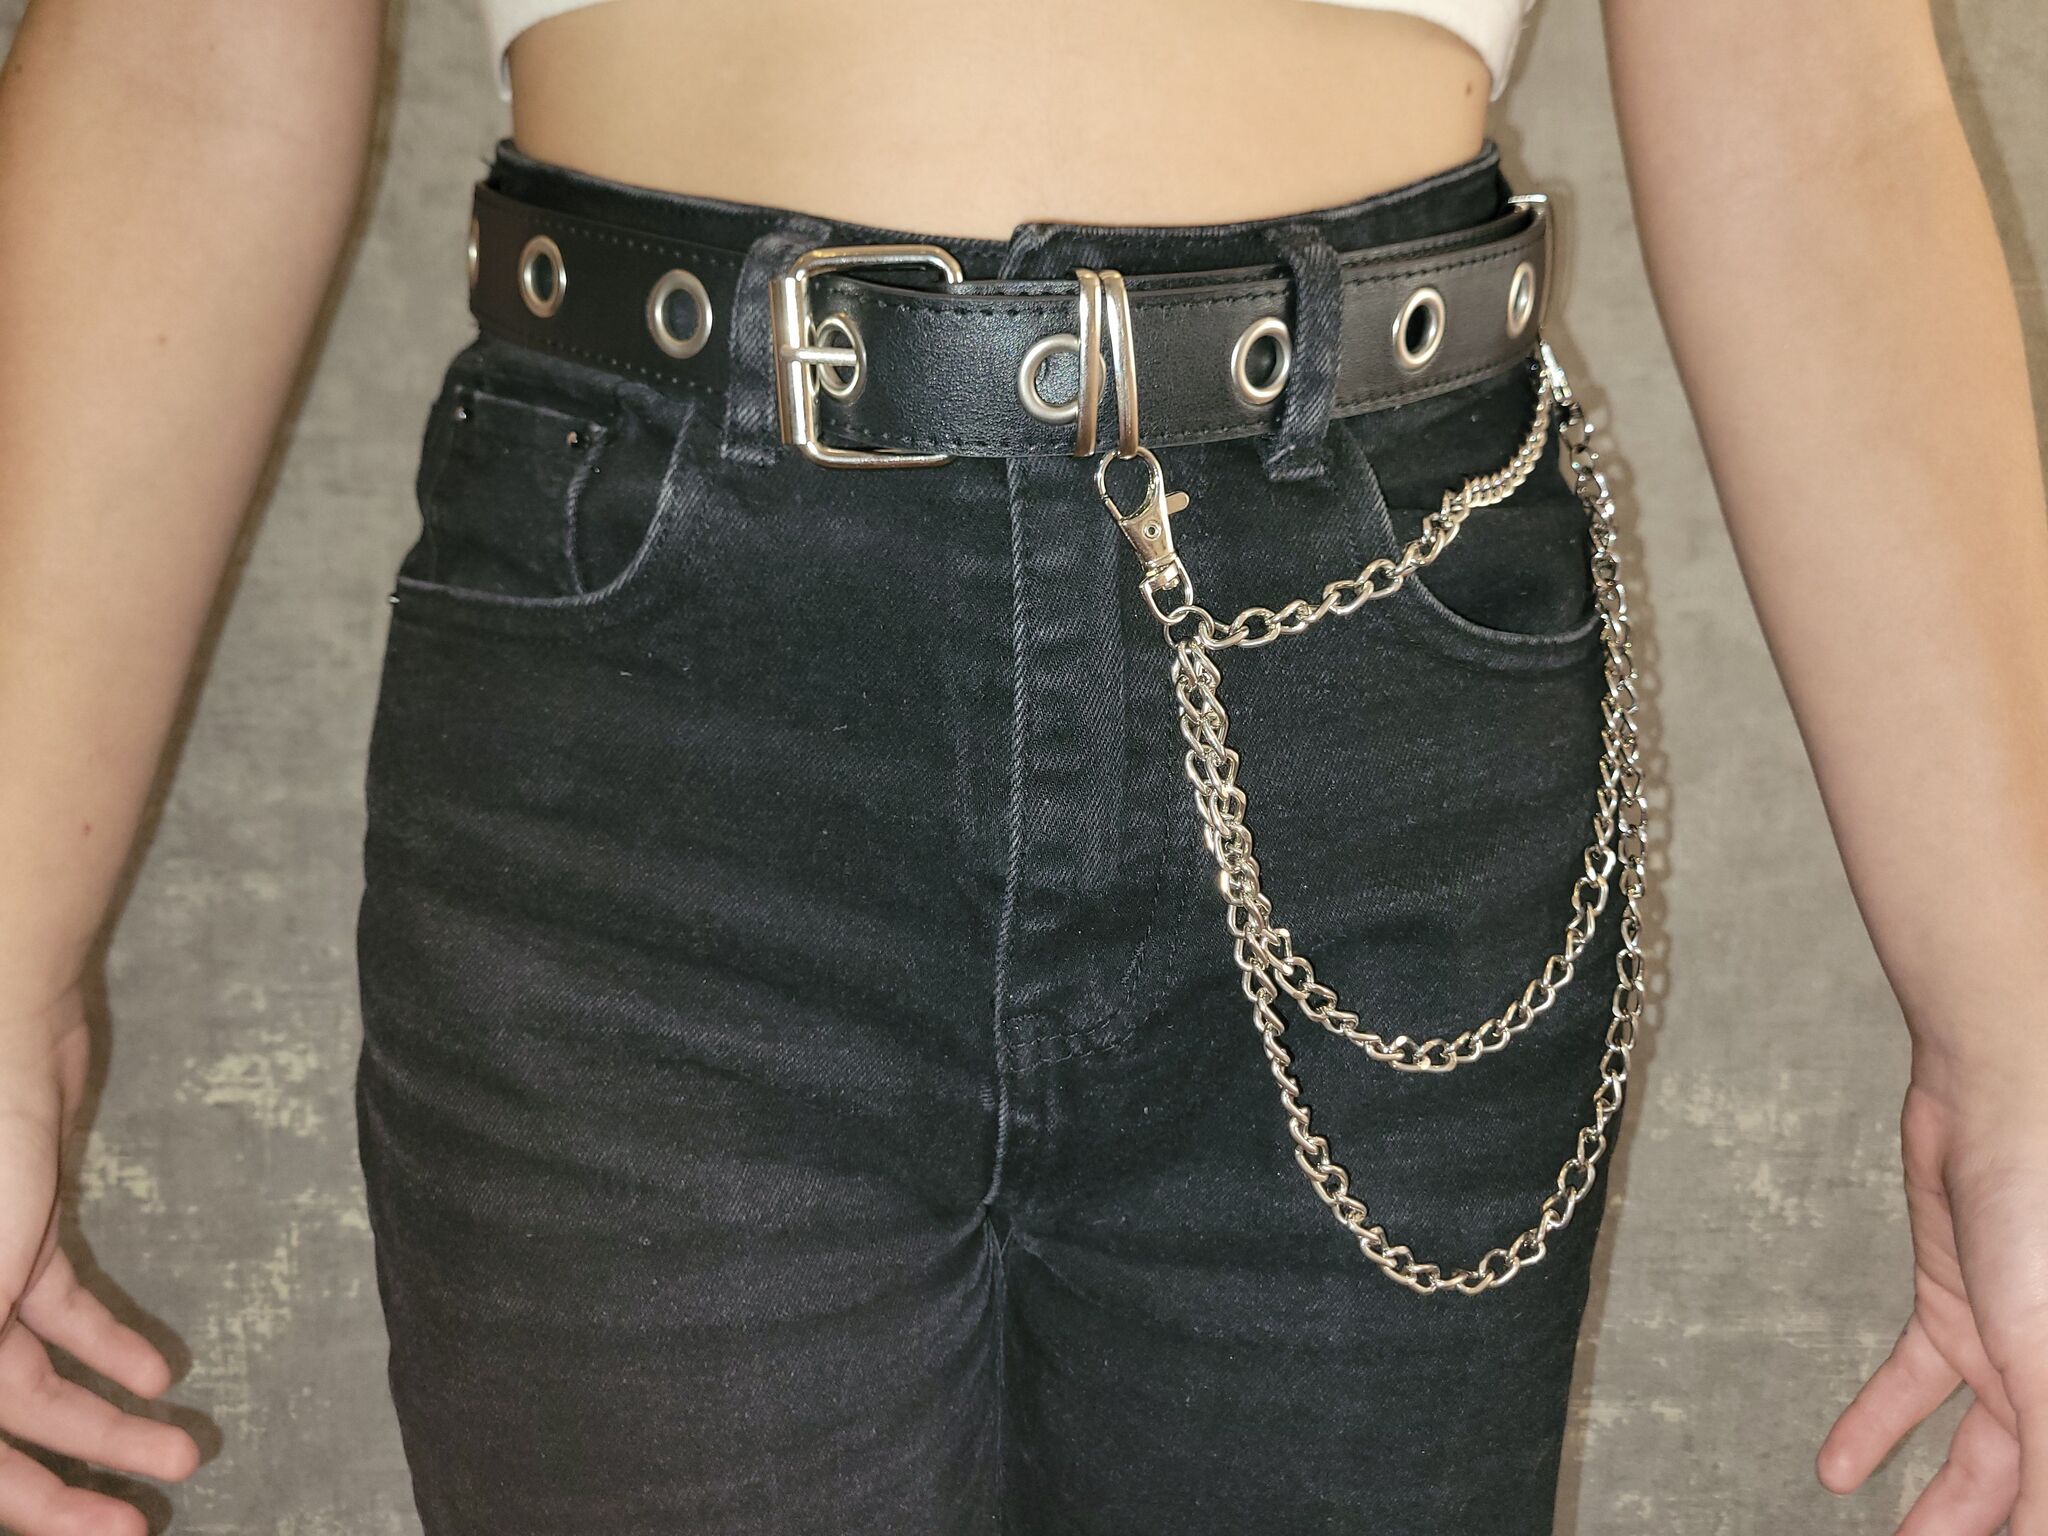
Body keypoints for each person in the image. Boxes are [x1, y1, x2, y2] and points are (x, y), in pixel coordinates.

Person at [1, 0, 2044, 1532]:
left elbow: (1816, 110)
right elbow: (182, 64)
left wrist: (2025, 1038)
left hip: (1365, 671)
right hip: (657, 700)